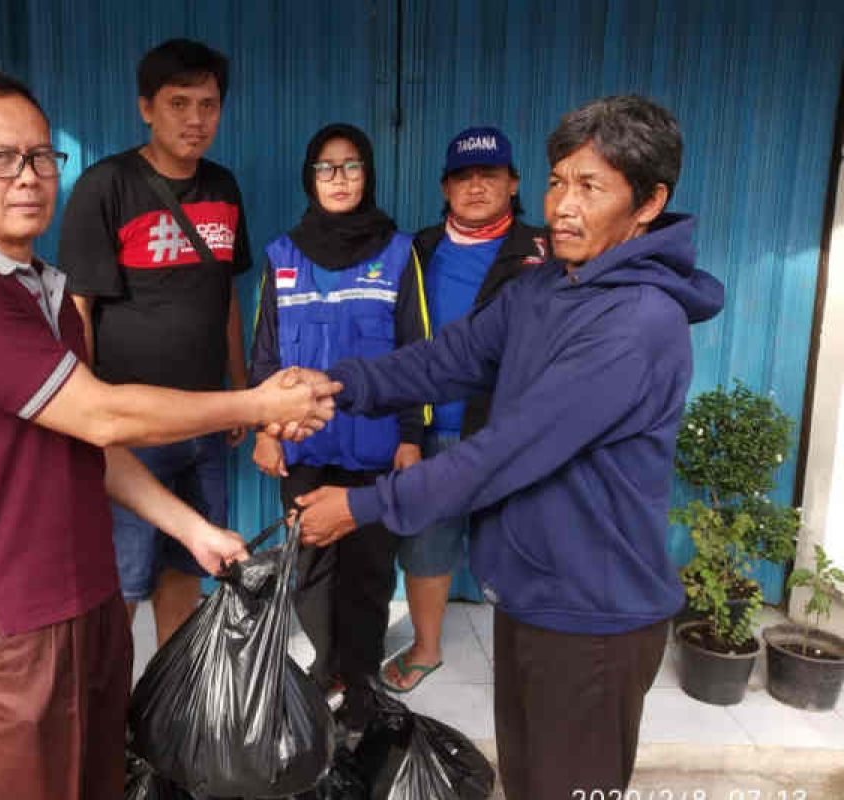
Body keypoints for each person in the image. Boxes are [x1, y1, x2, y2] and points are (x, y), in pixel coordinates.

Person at [0, 66, 338, 800]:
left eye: (41, 156)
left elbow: (90, 447)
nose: (28, 177)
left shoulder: (51, 299)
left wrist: (192, 530)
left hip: (88, 606)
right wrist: (252, 404)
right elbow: (100, 411)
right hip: (5, 632)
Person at [295, 96, 724, 799]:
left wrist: (362, 506)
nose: (562, 205)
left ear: (648, 203)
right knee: (525, 781)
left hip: (593, 619)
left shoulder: (638, 323)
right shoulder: (549, 285)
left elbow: (501, 453)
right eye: (558, 181)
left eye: (590, 187)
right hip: (532, 597)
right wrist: (333, 386)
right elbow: (446, 359)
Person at [58, 39, 252, 646]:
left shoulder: (223, 186)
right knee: (121, 583)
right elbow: (79, 307)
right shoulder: (106, 185)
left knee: (188, 566)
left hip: (204, 420)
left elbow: (225, 294)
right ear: (146, 107)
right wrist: (88, 412)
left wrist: (241, 388)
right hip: (131, 428)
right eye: (178, 103)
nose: (196, 120)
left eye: (209, 104)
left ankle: (167, 706)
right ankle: (105, 715)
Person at [250, 123, 429, 727]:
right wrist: (264, 429)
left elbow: (417, 351)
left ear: (367, 174)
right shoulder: (281, 257)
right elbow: (264, 357)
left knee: (371, 569)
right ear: (310, 177)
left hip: (377, 451)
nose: (339, 178)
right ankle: (326, 671)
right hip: (305, 450)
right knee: (313, 570)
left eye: (351, 166)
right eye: (326, 167)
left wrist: (411, 436)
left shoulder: (401, 253)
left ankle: (361, 676)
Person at [382, 126, 549, 693]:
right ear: (446, 186)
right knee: (426, 545)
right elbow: (400, 340)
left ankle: (529, 660)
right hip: (434, 429)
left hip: (511, 431)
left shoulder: (543, 251)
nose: (476, 186)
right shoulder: (419, 250)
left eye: (490, 174)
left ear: (513, 182)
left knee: (524, 547)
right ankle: (427, 647)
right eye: (463, 176)